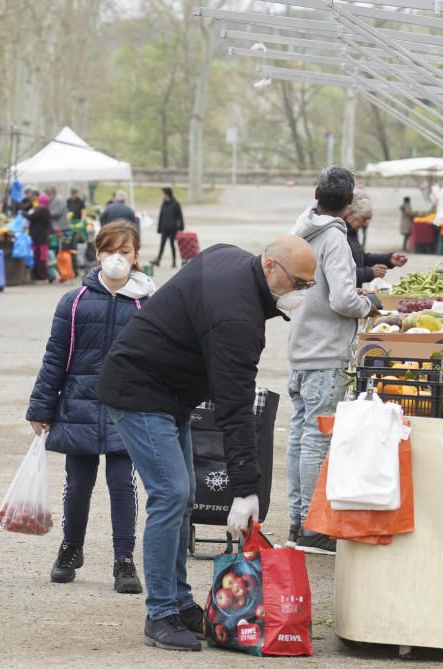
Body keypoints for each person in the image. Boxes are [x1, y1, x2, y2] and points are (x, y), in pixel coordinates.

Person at [97, 235, 317, 652]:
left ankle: (179, 602)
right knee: (172, 493)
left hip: (168, 391)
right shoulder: (237, 317)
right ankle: (160, 613)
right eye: (298, 283)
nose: (302, 293)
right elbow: (235, 408)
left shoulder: (231, 258)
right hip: (138, 389)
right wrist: (246, 488)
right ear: (269, 266)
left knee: (185, 494)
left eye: (309, 285)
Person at [26, 221, 156, 594]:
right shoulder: (75, 301)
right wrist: (41, 407)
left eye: (125, 251)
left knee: (121, 484)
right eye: (110, 251)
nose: (117, 258)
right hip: (78, 407)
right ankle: (70, 547)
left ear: (136, 256)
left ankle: (124, 558)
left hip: (126, 410)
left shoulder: (147, 303)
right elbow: (55, 357)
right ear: (97, 254)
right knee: (78, 485)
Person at [287, 167, 380, 556]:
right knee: (316, 438)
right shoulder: (334, 240)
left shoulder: (300, 229)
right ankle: (311, 527)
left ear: (316, 192)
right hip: (326, 351)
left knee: (298, 436)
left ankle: (297, 519)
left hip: (301, 344)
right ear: (348, 203)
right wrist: (368, 305)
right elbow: (342, 300)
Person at [343, 192, 408, 288]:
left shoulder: (352, 232)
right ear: (350, 214)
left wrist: (389, 259)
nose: (366, 224)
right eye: (364, 219)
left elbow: (361, 258)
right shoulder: (339, 234)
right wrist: (369, 272)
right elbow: (340, 273)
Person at [152, 187, 184, 268]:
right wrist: (159, 228)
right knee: (162, 244)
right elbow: (161, 217)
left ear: (166, 194)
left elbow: (180, 216)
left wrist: (181, 228)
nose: (161, 195)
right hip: (164, 228)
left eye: (162, 193)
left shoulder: (176, 203)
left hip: (173, 229)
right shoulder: (163, 204)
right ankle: (158, 260)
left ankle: (174, 262)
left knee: (172, 245)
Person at [27, 195, 53, 282]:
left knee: (40, 257)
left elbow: (32, 217)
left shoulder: (42, 210)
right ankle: (40, 275)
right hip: (40, 237)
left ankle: (42, 275)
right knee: (40, 257)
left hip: (40, 238)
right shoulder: (44, 210)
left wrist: (23, 213)